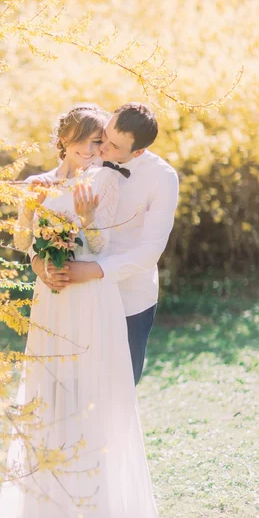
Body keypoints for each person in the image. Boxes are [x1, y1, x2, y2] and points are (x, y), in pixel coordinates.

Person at [0, 103, 158, 518]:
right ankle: (49, 498)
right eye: (90, 143)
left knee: (92, 386)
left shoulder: (105, 181)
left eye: (101, 144)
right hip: (53, 297)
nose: (96, 151)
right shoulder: (37, 184)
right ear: (66, 140)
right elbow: (21, 239)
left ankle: (96, 499)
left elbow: (104, 246)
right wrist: (40, 267)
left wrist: (85, 220)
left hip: (92, 298)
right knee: (50, 389)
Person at [32, 103, 179, 385]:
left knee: (121, 385)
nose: (101, 149)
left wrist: (92, 270)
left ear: (138, 152)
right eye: (105, 136)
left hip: (129, 295)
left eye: (113, 146)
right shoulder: (91, 151)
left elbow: (149, 252)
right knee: (75, 382)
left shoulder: (162, 178)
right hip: (77, 293)